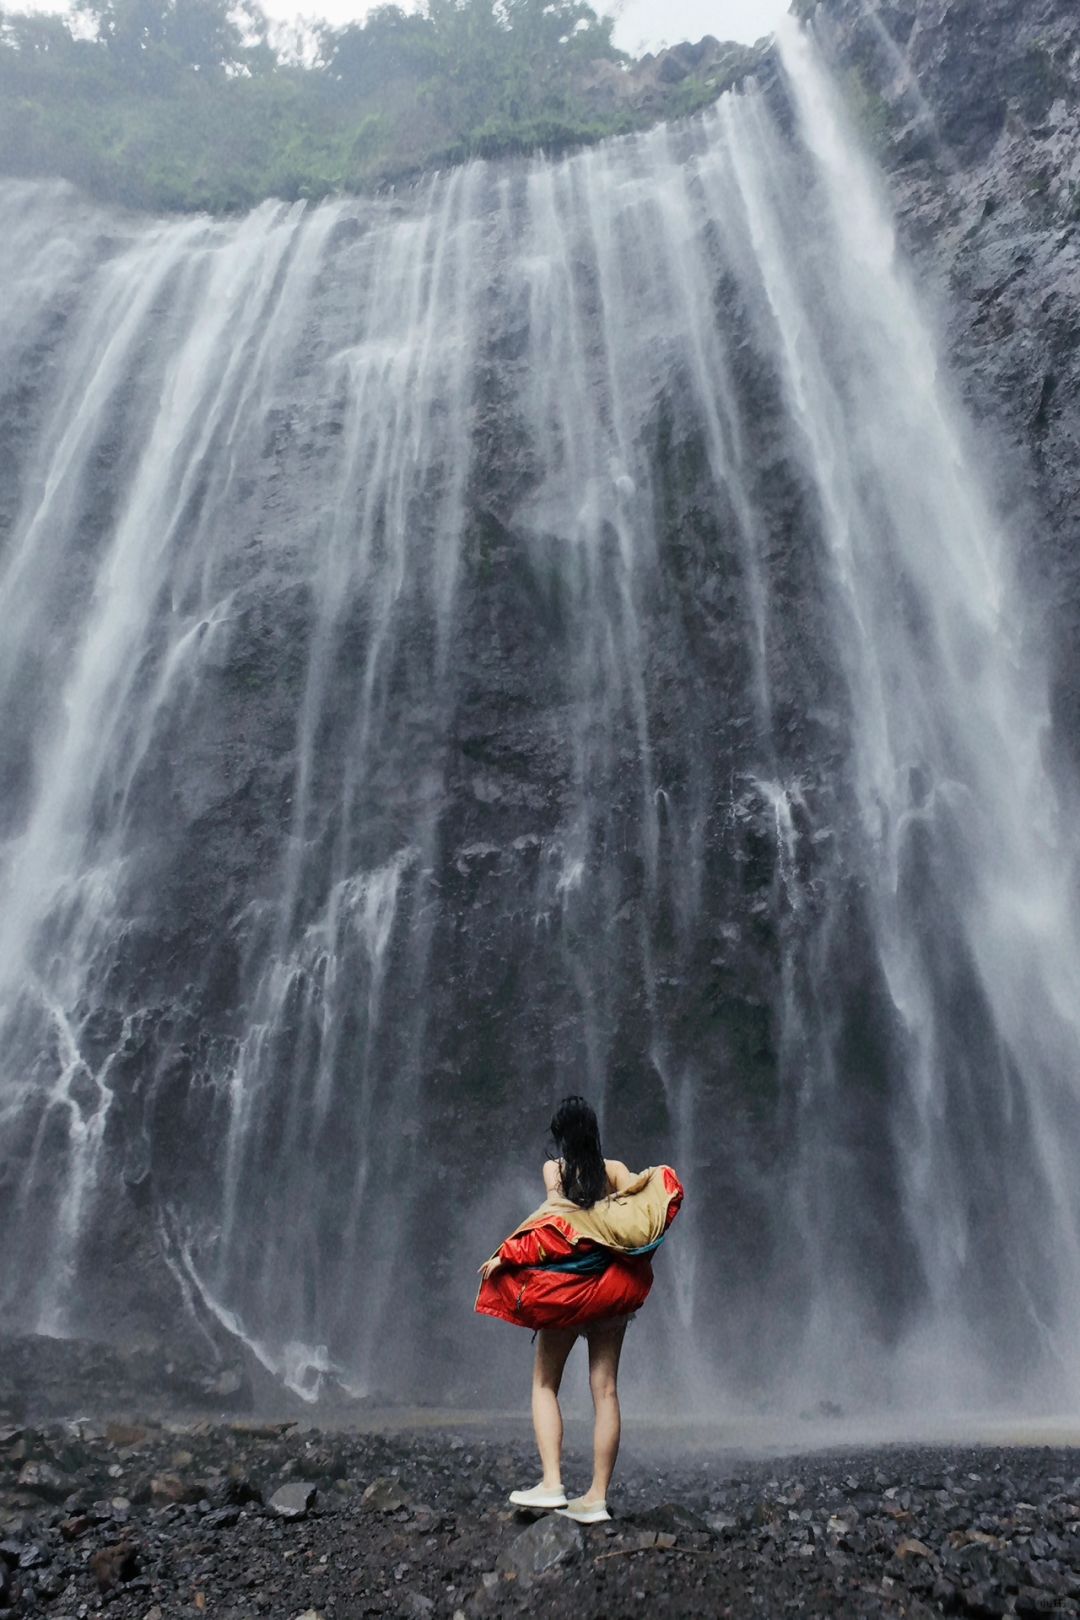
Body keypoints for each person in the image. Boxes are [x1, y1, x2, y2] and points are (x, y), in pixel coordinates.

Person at [475, 1095, 683, 1525]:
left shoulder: (556, 1171)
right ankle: (596, 1498)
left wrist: (506, 1255)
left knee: (544, 1384)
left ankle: (552, 1484)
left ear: (561, 1139)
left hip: (568, 1291)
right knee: (605, 1389)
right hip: (609, 1292)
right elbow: (633, 1209)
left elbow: (554, 1220)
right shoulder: (615, 1170)